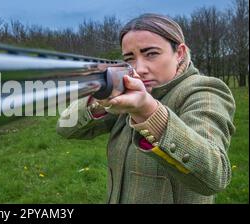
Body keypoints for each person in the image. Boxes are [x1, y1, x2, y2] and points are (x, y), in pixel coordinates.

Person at [56, 13, 236, 204]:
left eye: (151, 53)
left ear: (180, 53)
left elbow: (216, 176)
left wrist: (147, 111)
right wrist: (101, 99)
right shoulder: (128, 91)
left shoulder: (205, 90)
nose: (139, 68)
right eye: (130, 58)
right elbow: (65, 128)